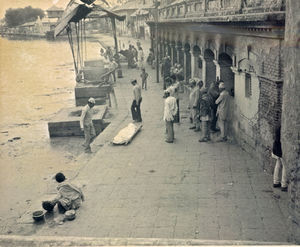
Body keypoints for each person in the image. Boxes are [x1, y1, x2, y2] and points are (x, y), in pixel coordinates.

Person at [272, 126, 287, 191]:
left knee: (278, 165)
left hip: (277, 148)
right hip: (281, 149)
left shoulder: (278, 127)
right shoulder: (284, 127)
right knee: (285, 166)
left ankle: (276, 182)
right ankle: (284, 185)